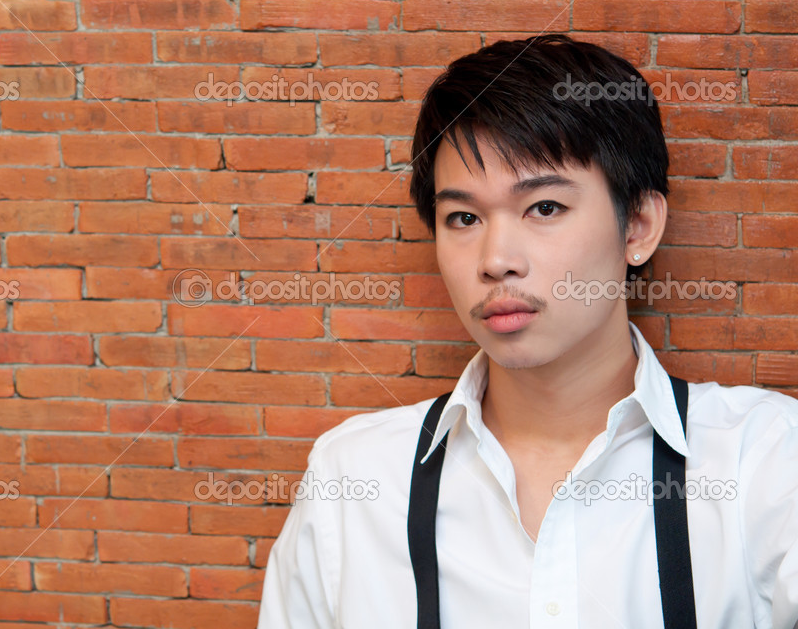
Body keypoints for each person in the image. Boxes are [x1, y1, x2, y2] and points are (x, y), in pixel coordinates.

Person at [256, 34, 798, 628]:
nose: (496, 260)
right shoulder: (354, 480)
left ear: (638, 225)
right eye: (462, 217)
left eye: (543, 207)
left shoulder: (764, 464)